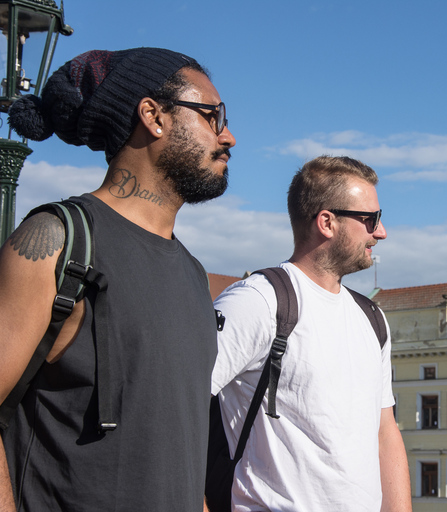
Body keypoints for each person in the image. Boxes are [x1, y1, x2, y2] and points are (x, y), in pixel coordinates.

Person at [0, 47, 236, 511]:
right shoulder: (57, 240)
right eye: (212, 116)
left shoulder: (191, 271)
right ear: (153, 115)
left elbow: (179, 445)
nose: (228, 136)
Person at [211, 156, 411, 512]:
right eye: (370, 219)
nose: (381, 232)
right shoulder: (257, 301)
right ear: (327, 222)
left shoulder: (372, 317)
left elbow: (385, 433)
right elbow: (169, 408)